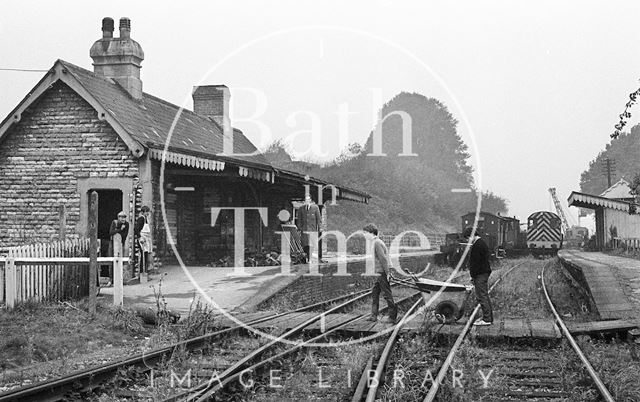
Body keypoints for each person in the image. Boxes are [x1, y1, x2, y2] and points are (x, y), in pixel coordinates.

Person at [364, 223, 398, 324]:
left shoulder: (377, 243)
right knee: (375, 293)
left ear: (371, 233)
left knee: (387, 294)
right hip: (379, 272)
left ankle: (392, 316)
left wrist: (387, 273)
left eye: (365, 233)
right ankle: (374, 315)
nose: (364, 235)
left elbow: (383, 259)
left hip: (382, 272)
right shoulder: (376, 242)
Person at [463, 226, 493, 326]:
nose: (468, 240)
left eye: (468, 238)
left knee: (482, 296)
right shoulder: (480, 243)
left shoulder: (478, 245)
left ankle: (487, 319)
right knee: (483, 295)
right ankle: (487, 317)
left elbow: (475, 263)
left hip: (480, 274)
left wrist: (473, 276)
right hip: (482, 273)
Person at [297, 195, 322, 263]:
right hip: (304, 230)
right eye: (305, 200)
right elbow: (299, 220)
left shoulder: (315, 207)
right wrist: (300, 228)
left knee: (312, 244)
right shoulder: (301, 208)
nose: (307, 201)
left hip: (312, 230)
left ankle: (310, 258)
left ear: (310, 200)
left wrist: (320, 228)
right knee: (305, 244)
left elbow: (318, 219)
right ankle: (307, 257)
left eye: (308, 200)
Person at [134, 206, 152, 274]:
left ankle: (145, 271)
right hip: (142, 239)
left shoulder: (146, 219)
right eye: (146, 212)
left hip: (146, 239)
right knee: (143, 255)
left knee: (146, 255)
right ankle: (142, 272)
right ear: (142, 212)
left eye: (148, 212)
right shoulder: (141, 219)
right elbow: (136, 229)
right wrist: (140, 237)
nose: (147, 213)